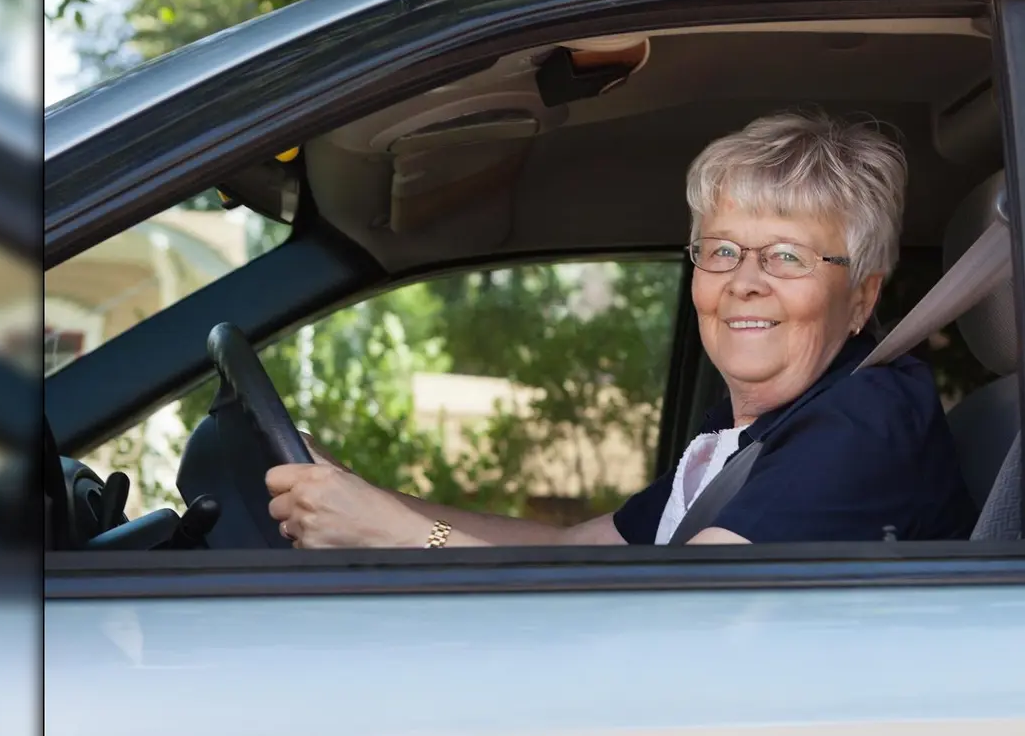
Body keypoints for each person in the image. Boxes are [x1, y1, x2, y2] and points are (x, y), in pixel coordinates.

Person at [266, 110, 978, 547]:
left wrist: (395, 537)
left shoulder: (866, 419)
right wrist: (361, 497)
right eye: (723, 250)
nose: (744, 281)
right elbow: (574, 545)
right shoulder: (745, 438)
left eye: (786, 257)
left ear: (861, 296)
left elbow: (674, 623)